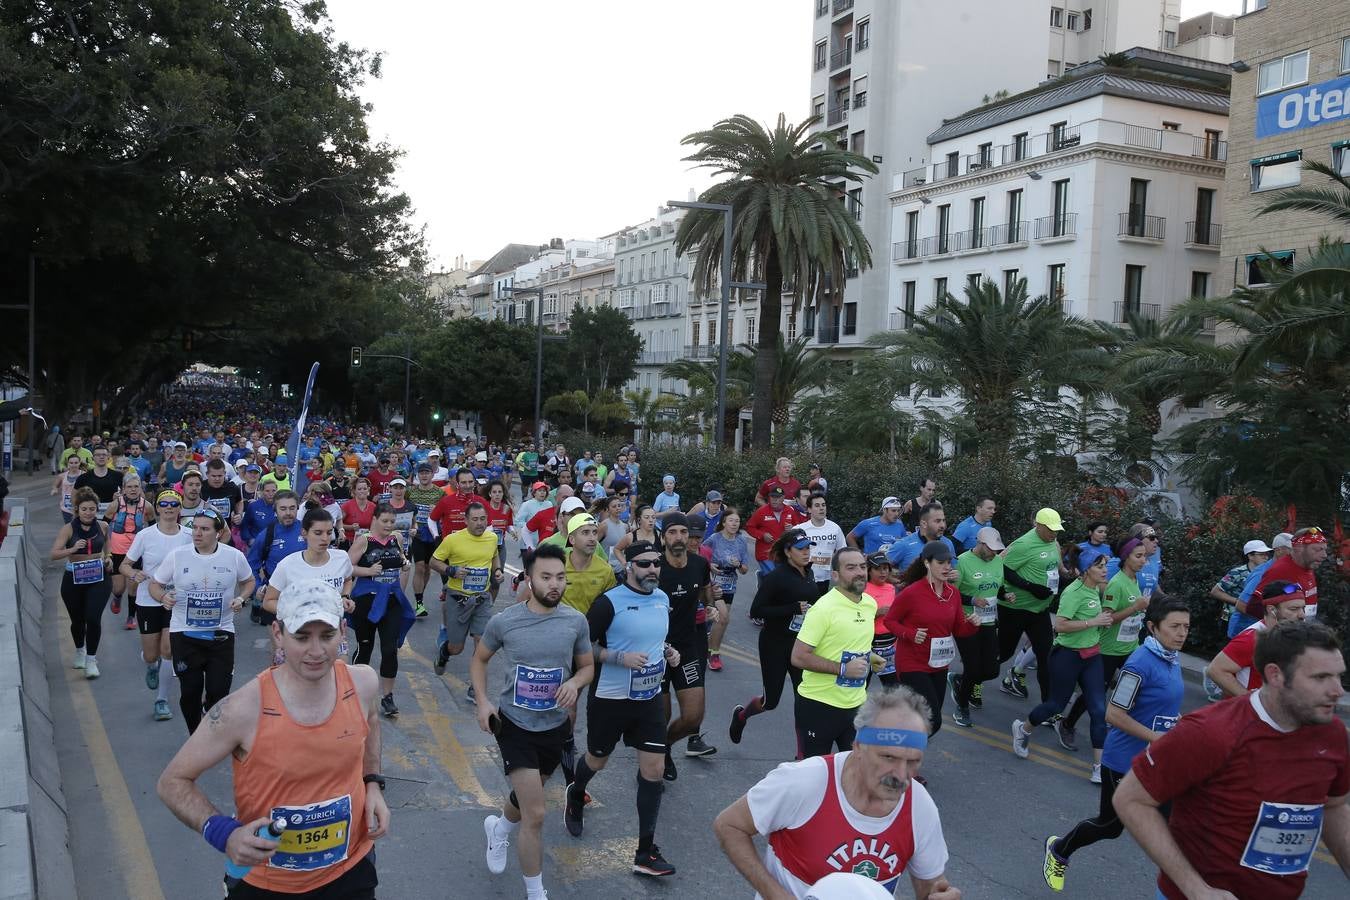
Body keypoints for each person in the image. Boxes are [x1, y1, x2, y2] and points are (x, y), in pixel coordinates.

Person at [156, 580, 389, 898]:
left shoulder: (362, 682)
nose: (316, 651)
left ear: (343, 631)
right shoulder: (242, 709)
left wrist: (372, 783)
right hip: (266, 884)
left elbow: (372, 721)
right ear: (278, 634)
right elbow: (172, 781)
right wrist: (225, 835)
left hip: (351, 871)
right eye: (302, 637)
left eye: (327, 635)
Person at [1114, 620, 1349, 900]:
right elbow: (1130, 799)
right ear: (1275, 675)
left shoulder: (1333, 735)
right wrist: (1195, 888)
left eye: (1339, 676)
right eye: (1320, 678)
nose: (1338, 691)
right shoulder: (1211, 731)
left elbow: (1333, 808)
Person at [713, 687, 960, 900]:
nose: (901, 775)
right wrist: (776, 895)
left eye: (913, 761)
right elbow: (729, 825)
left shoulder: (919, 806)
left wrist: (941, 895)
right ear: (858, 746)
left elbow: (930, 886)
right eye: (888, 757)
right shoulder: (804, 782)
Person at [1041, 598, 1191, 893]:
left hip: (1158, 760)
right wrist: (1158, 738)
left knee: (1175, 828)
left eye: (1186, 627)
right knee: (1110, 827)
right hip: (1124, 761)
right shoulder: (1140, 664)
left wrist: (1181, 726)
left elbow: (1164, 708)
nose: (1182, 633)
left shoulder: (1171, 658)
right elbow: (1114, 714)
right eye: (1174, 626)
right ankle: (1059, 850)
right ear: (1153, 627)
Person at [472, 543, 594, 900]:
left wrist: (573, 682)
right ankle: (536, 893)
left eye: (560, 577)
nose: (554, 584)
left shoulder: (575, 622)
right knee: (537, 814)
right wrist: (483, 702)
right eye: (545, 577)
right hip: (514, 726)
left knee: (528, 797)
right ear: (527, 578)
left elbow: (587, 667)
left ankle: (499, 829)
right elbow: (479, 661)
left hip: (555, 728)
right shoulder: (505, 622)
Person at [564, 540, 683, 877]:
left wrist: (668, 652)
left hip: (648, 701)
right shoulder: (609, 603)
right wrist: (619, 658)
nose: (652, 570)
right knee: (597, 760)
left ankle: (646, 852)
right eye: (644, 564)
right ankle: (577, 790)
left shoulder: (662, 599)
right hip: (611, 698)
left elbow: (652, 640)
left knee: (654, 770)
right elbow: (583, 645)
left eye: (656, 564)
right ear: (629, 566)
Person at [1012, 546, 1114, 783]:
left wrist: (1101, 623)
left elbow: (1091, 619)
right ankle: (1024, 728)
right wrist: (1093, 622)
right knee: (1055, 706)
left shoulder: (1096, 589)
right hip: (1067, 655)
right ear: (1086, 570)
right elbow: (1061, 626)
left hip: (1092, 657)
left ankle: (1099, 766)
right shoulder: (1073, 592)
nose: (1104, 570)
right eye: (1099, 567)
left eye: (1105, 566)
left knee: (1099, 711)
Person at [148, 509, 255, 733]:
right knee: (190, 692)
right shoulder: (178, 556)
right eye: (194, 527)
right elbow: (155, 585)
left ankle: (209, 708)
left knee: (219, 691)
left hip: (221, 632)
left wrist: (240, 598)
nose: (197, 533)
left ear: (218, 533)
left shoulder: (233, 556)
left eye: (204, 529)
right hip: (185, 633)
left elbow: (249, 582)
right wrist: (163, 597)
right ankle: (196, 735)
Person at [1058, 534, 1152, 751]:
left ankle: (1122, 727)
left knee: (1137, 687)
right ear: (1126, 557)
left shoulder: (1133, 579)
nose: (1143, 561)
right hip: (1108, 650)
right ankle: (1067, 723)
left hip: (1129, 648)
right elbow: (1107, 619)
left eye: (1145, 556)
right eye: (1139, 556)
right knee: (1095, 692)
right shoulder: (1116, 584)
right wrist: (1134, 608)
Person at [791, 548, 882, 758]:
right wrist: (843, 669)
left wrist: (870, 656)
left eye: (862, 566)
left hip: (856, 704)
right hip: (819, 706)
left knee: (856, 773)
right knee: (814, 777)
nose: (859, 572)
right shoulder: (823, 609)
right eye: (850, 568)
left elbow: (850, 642)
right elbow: (798, 656)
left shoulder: (869, 604)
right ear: (835, 575)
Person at [885, 542, 978, 745]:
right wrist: (910, 633)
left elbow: (959, 629)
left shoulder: (953, 594)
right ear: (927, 563)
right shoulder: (912, 593)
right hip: (913, 663)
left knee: (920, 720)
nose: (947, 567)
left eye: (949, 563)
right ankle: (898, 754)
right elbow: (889, 621)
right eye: (941, 563)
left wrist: (972, 625)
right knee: (932, 720)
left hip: (939, 664)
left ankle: (898, 751)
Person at [731, 529, 817, 745]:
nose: (806, 553)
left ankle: (801, 754)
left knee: (804, 699)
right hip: (775, 643)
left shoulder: (810, 574)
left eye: (808, 548)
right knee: (771, 701)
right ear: (788, 552)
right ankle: (742, 716)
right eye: (801, 549)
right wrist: (792, 608)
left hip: (801, 644)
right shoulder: (776, 577)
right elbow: (757, 610)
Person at [658, 513, 723, 777]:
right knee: (660, 717)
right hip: (656, 652)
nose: (679, 538)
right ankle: (653, 765)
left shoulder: (698, 564)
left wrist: (710, 607)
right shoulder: (653, 566)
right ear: (663, 537)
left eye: (683, 533)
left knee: (693, 716)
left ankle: (662, 747)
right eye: (672, 532)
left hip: (686, 647)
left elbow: (706, 589)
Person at [122, 489, 193, 720]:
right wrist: (133, 574)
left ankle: (161, 700)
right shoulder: (145, 535)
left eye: (174, 503)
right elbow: (125, 565)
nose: (170, 507)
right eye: (165, 503)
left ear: (180, 508)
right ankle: (150, 665)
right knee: (152, 655)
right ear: (158, 508)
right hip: (148, 599)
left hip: (177, 601)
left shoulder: (190, 536)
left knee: (168, 650)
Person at [347, 503, 414, 718]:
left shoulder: (397, 539)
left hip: (391, 599)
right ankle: (356, 693)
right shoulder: (364, 541)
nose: (388, 525)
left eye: (392, 522)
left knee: (389, 649)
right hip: (367, 600)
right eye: (384, 521)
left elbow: (401, 557)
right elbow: (346, 567)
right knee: (364, 647)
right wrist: (368, 570)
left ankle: (387, 696)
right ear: (374, 519)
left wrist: (404, 565)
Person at [998, 508, 1067, 702]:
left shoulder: (1053, 541)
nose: (1054, 533)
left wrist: (1064, 579)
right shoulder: (1023, 544)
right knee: (1003, 654)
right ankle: (969, 679)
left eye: (1056, 530)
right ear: (1038, 525)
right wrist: (1030, 587)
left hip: (1039, 611)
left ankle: (1048, 707)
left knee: (1046, 656)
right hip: (1015, 609)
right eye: (1050, 529)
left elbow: (1055, 567)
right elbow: (1001, 569)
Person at [431, 501, 502, 689]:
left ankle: (475, 686)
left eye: (483, 519)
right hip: (458, 599)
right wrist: (450, 570)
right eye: (475, 519)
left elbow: (494, 556)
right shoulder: (453, 540)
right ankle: (445, 652)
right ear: (465, 520)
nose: (480, 523)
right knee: (457, 647)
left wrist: (498, 570)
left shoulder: (492, 538)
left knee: (482, 646)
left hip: (482, 599)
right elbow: (434, 561)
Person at [50, 487, 113, 678]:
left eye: (92, 509)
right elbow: (53, 554)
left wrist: (108, 557)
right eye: (84, 509)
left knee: (93, 618)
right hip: (73, 578)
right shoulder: (68, 529)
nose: (88, 513)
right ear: (77, 509)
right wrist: (72, 549)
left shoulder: (102, 526)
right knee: (78, 621)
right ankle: (80, 650)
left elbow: (107, 543)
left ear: (96, 509)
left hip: (98, 576)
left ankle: (91, 660)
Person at [1205, 580, 1308, 697]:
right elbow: (1215, 670)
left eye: (1303, 608)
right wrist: (1250, 701)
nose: (1302, 615)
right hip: (1248, 714)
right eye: (1294, 609)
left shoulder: (1290, 635)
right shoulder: (1252, 639)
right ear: (1272, 610)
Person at [948, 526, 1005, 725]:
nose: (994, 554)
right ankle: (962, 706)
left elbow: (998, 586)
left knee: (992, 670)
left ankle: (959, 680)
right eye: (991, 549)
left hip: (988, 620)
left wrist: (1006, 595)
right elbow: (952, 594)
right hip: (966, 620)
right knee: (972, 668)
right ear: (980, 544)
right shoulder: (963, 561)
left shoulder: (997, 561)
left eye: (997, 550)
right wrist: (972, 600)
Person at [260, 507, 354, 613]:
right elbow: (268, 602)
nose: (325, 538)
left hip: (334, 627)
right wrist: (298, 612)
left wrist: (345, 596)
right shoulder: (287, 565)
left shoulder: (342, 558)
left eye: (329, 532)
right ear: (304, 533)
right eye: (318, 533)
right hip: (300, 628)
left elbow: (348, 580)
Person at [703, 507, 752, 672]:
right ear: (724, 522)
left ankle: (709, 646)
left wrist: (738, 564)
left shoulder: (741, 541)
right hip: (713, 584)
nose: (734, 524)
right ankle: (713, 653)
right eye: (731, 520)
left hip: (730, 585)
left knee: (720, 622)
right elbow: (699, 554)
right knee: (723, 619)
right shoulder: (714, 539)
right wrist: (710, 565)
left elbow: (745, 569)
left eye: (737, 521)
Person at [1252, 526, 1328, 621]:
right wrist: (1283, 629)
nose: (1325, 555)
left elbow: (1287, 591)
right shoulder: (1281, 570)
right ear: (1298, 549)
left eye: (1325, 550)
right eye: (1318, 550)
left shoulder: (1307, 566)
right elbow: (1254, 606)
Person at [104, 473, 149, 627]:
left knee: (133, 587)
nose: (133, 490)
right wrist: (105, 550)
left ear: (140, 489)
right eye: (129, 487)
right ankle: (116, 597)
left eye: (136, 486)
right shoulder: (116, 504)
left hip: (136, 550)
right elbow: (104, 526)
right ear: (123, 489)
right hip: (117, 549)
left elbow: (154, 526)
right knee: (119, 587)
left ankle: (131, 617)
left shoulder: (146, 506)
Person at [1230, 532, 1293, 637]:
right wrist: (1273, 618)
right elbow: (1241, 605)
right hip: (1246, 630)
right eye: (1292, 549)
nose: (1296, 553)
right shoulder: (1262, 573)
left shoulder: (1285, 571)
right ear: (1278, 550)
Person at [746, 486, 805, 575]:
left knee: (781, 578)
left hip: (783, 553)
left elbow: (798, 528)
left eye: (777, 497)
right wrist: (762, 535)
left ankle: (762, 579)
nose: (774, 500)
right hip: (765, 554)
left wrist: (792, 527)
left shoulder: (790, 511)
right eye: (772, 497)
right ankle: (765, 579)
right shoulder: (762, 511)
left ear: (783, 498)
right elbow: (749, 527)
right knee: (773, 575)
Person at [800, 494, 849, 596]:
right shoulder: (801, 530)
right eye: (817, 505)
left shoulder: (835, 528)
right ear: (809, 509)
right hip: (806, 578)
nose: (821, 508)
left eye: (823, 505)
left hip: (829, 578)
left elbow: (843, 552)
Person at [886, 503, 954, 571]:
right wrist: (896, 580)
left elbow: (953, 569)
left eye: (943, 520)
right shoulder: (904, 544)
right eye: (938, 521)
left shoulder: (948, 543)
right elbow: (880, 568)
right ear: (924, 524)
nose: (943, 525)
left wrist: (953, 575)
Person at [74, 444, 123, 515]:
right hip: (90, 515)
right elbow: (74, 497)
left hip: (113, 514)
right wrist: (79, 512)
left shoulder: (118, 475)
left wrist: (120, 497)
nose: (101, 457)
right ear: (93, 458)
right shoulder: (83, 477)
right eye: (98, 455)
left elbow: (127, 493)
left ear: (108, 457)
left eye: (104, 455)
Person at [51, 452, 84, 523]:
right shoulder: (62, 476)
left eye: (76, 463)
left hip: (81, 506)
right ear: (68, 464)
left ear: (79, 463)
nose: (73, 465)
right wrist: (54, 490)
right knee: (69, 527)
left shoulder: (84, 475)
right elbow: (55, 485)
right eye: (71, 463)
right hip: (66, 507)